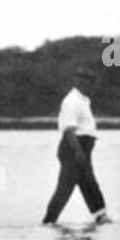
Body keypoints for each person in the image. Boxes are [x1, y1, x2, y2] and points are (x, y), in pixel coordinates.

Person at [42, 67, 111, 225]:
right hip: (73, 148)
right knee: (66, 187)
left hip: (81, 147)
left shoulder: (83, 100)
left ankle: (101, 216)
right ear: (79, 81)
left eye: (93, 83)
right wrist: (78, 152)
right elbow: (68, 129)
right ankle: (49, 221)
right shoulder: (72, 100)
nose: (92, 86)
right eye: (89, 82)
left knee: (88, 182)